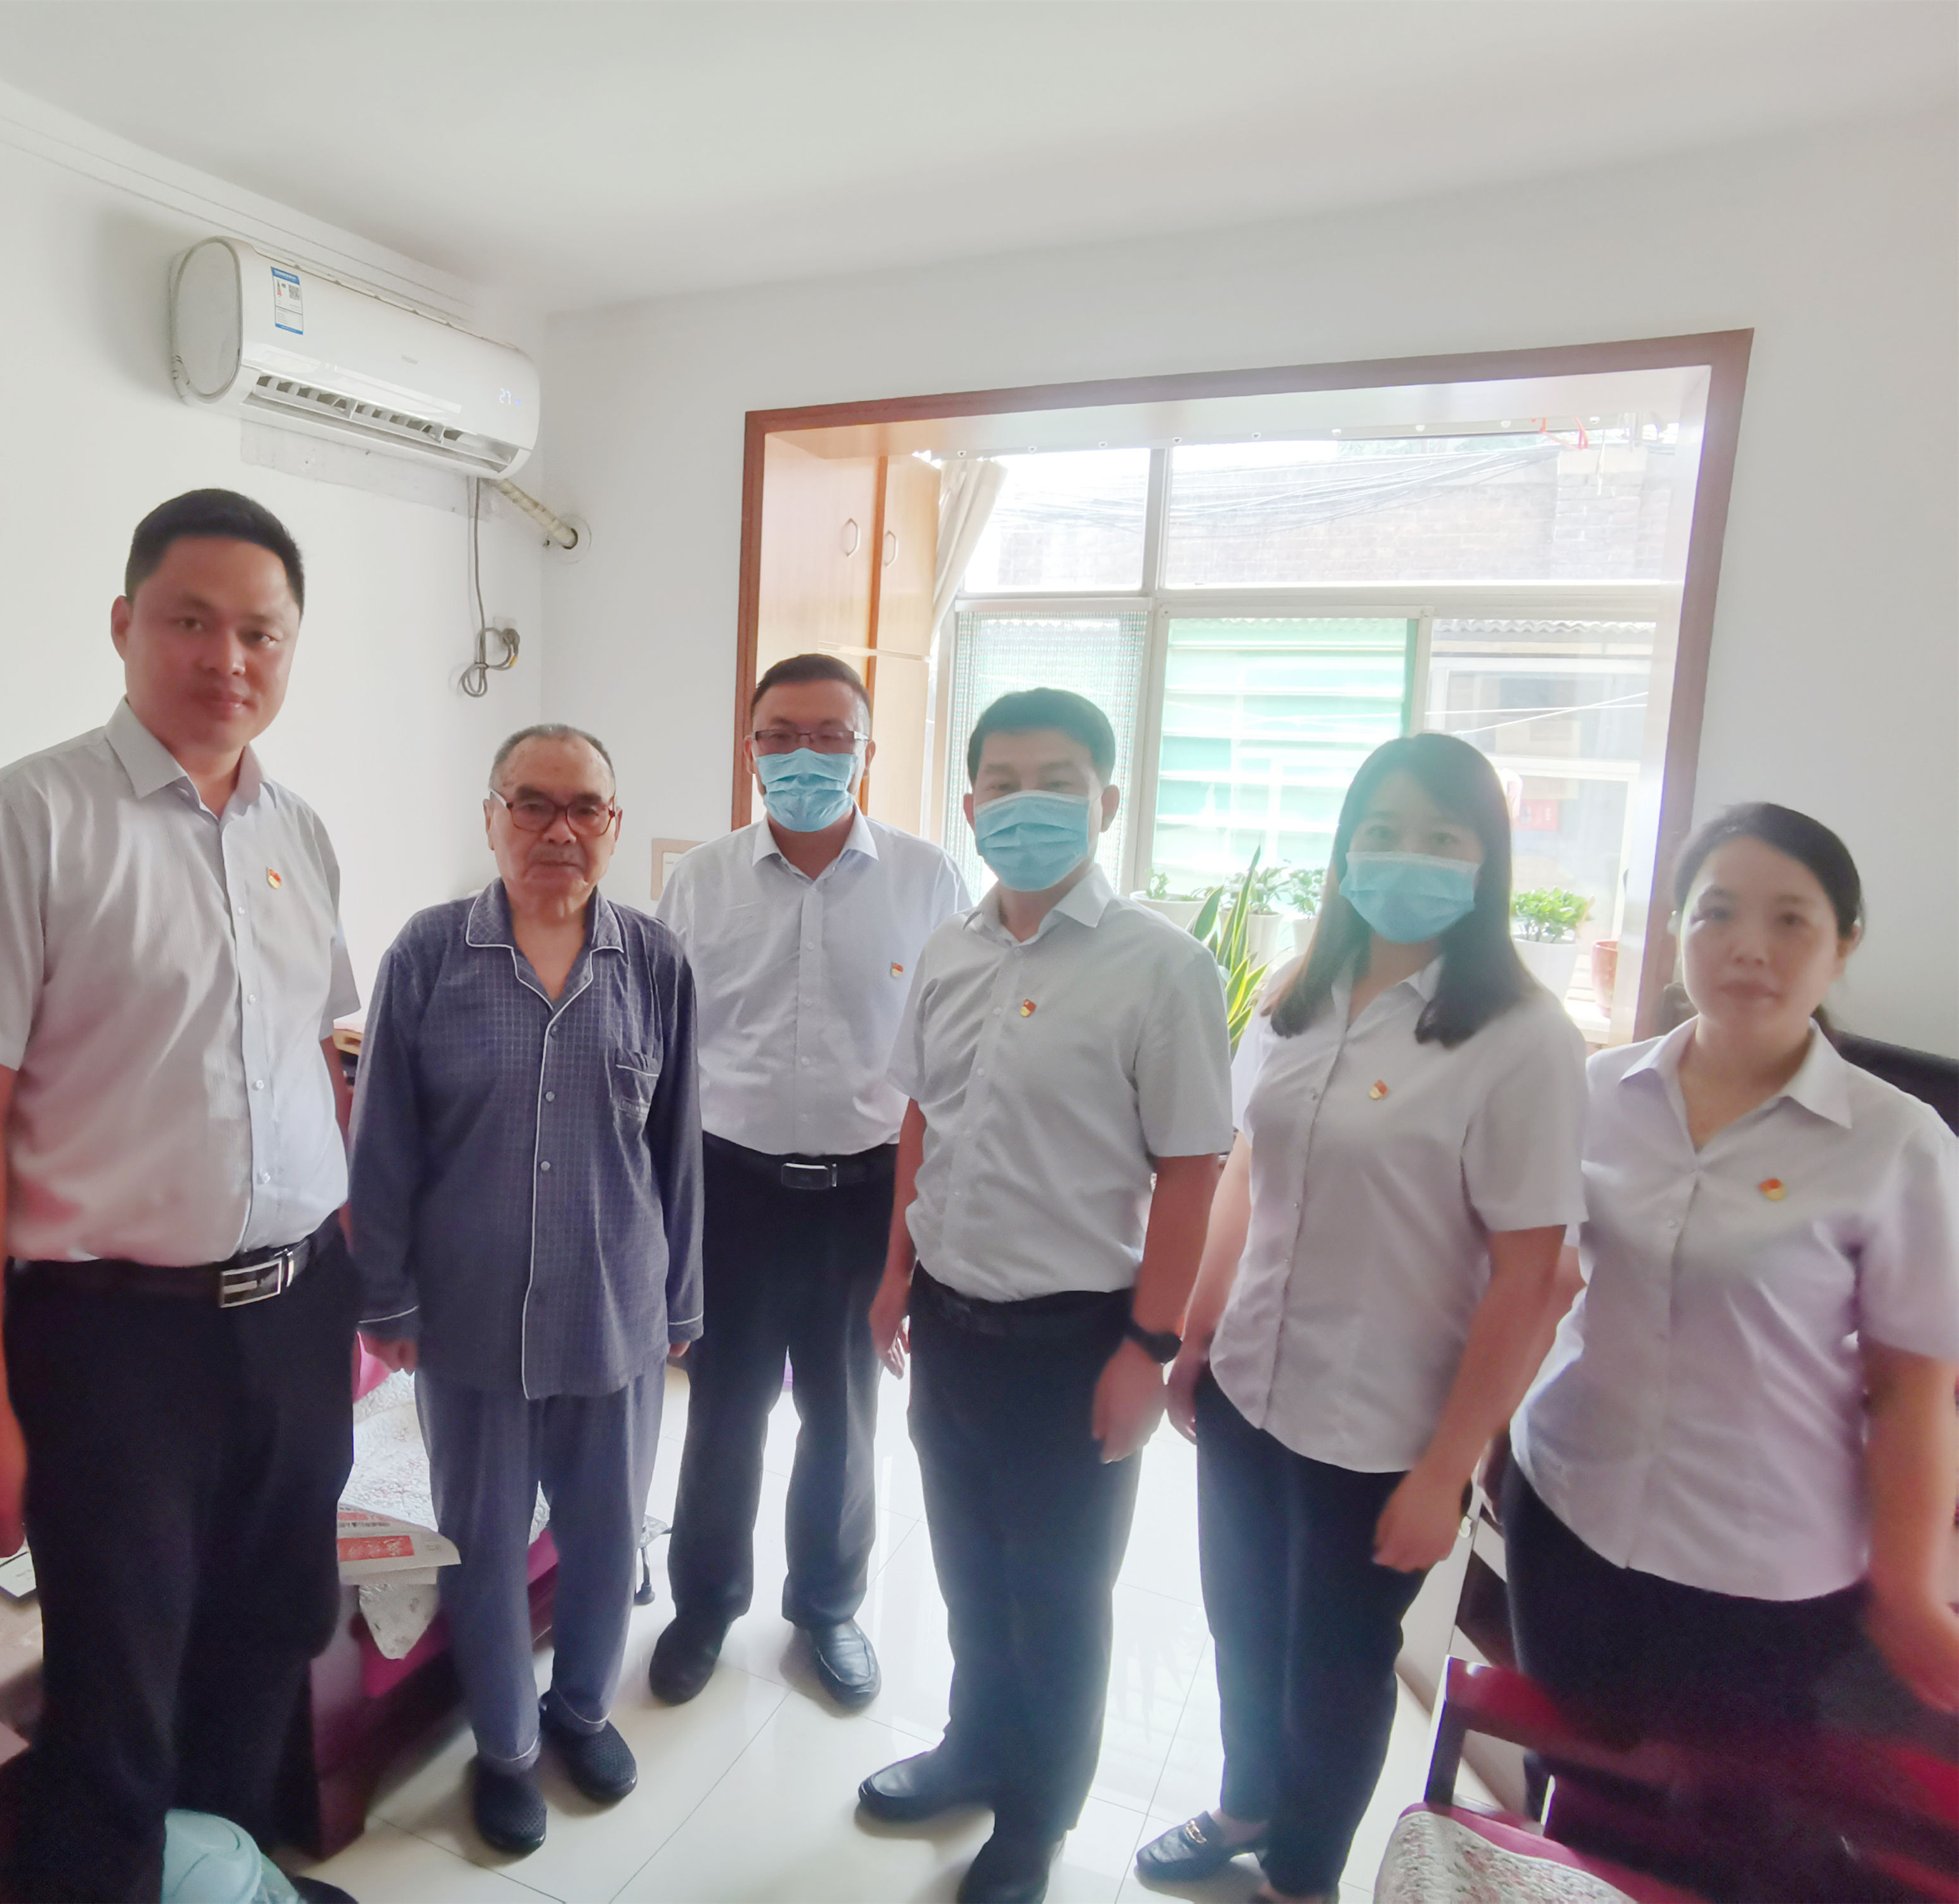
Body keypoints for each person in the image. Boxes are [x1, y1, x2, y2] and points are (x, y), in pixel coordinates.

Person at [0, 489, 359, 1903]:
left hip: (294, 1316)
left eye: (260, 633)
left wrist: (351, 1278)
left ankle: (221, 1876)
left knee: (268, 1637)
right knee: (119, 1687)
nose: (227, 658)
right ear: (124, 624)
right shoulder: (28, 820)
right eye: (190, 621)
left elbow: (312, 1063)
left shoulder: (301, 833)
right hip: (113, 1341)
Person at [1140, 732, 1588, 1904]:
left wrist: (1448, 1470)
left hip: (1382, 1430)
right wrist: (1196, 1340)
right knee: (1243, 1628)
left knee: (1334, 1675)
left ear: (1486, 862)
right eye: (1381, 832)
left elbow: (1532, 1276)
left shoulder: (1525, 1039)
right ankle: (1244, 1803)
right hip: (1248, 1389)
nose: (1406, 857)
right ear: (1344, 852)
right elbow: (1247, 1174)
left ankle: (1301, 1877)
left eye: (1442, 837)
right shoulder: (1298, 998)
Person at [860, 687, 1233, 1904]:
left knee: (1060, 1600)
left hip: (1077, 1341)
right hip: (951, 1322)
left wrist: (1149, 1347)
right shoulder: (952, 950)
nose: (1029, 804)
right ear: (970, 804)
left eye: (1059, 781)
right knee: (970, 1570)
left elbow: (1192, 1171)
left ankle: (1037, 1819)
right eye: (1005, 783)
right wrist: (897, 1271)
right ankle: (974, 1748)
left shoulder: (1164, 967)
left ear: (1106, 801)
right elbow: (923, 1120)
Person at [1504, 803, 1959, 1730]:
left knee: (1717, 1810)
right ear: (1677, 928)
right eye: (1717, 913)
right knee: (1569, 1771)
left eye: (1791, 919)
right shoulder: (1601, 1092)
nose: (1750, 947)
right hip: (1566, 1509)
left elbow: (1913, 1390)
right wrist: (1480, 1436)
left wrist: (1910, 1587)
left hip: (1760, 1571)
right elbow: (1549, 1284)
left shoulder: (1898, 1143)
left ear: (1844, 943)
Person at [349, 724, 701, 1856]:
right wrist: (386, 1300)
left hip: (614, 1310)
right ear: (492, 817)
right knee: (485, 1547)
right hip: (470, 1317)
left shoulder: (655, 962)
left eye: (585, 807)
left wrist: (681, 1303)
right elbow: (382, 1140)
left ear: (613, 824)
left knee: (605, 1539)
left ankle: (581, 1713)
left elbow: (677, 1148)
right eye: (533, 804)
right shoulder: (427, 956)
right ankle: (504, 1751)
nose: (559, 829)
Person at [649, 653, 970, 1712]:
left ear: (868, 749)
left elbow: (953, 1064)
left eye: (832, 735)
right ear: (750, 749)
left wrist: (922, 1237)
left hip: (864, 1193)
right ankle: (704, 1605)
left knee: (844, 1413)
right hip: (728, 1187)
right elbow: (662, 1049)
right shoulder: (700, 880)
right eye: (781, 734)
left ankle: (828, 1607)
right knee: (723, 1409)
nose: (805, 755)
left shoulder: (928, 880)